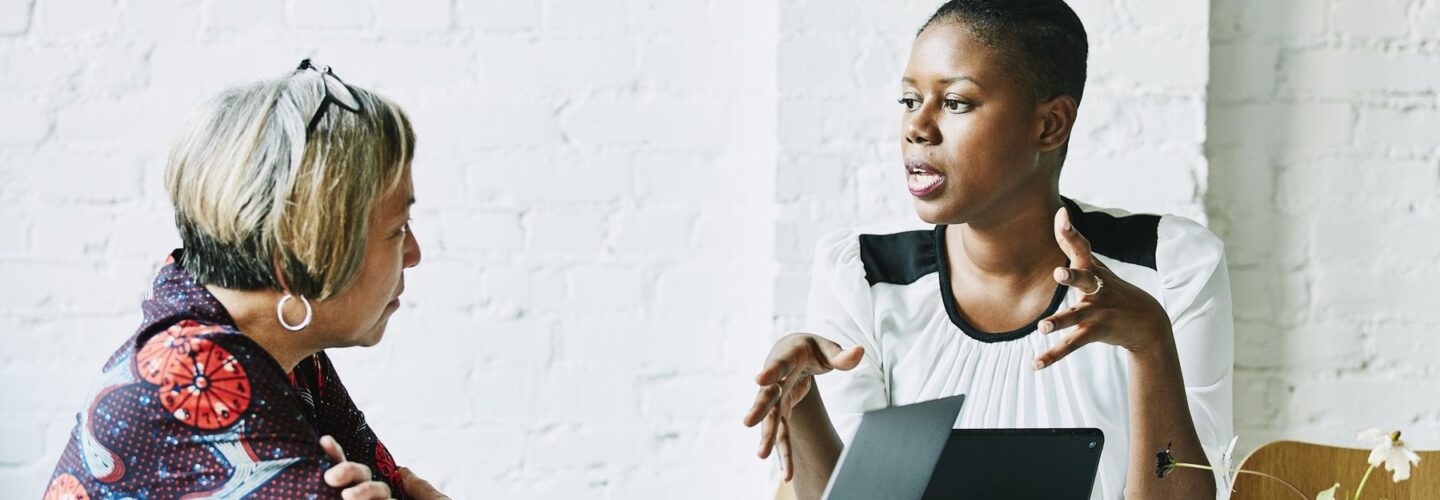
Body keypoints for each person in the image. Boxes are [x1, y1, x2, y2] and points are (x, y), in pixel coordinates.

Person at [743, 2, 1233, 499]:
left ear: (1050, 125)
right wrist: (804, 405)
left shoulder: (1167, 265)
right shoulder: (865, 275)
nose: (918, 127)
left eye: (955, 103)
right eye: (910, 100)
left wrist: (1151, 344)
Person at [43, 60, 447, 500]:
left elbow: (393, 488)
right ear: (301, 255)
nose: (415, 254)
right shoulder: (196, 379)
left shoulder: (262, 342)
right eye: (398, 229)